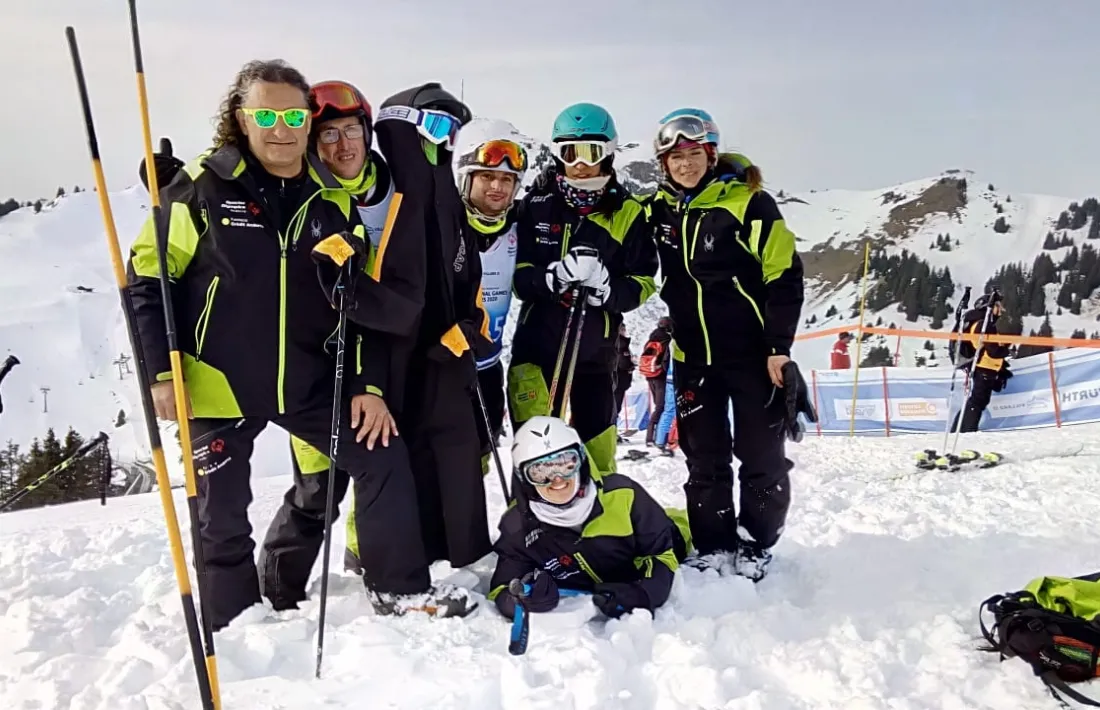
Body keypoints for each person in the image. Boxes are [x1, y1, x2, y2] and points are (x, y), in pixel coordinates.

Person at [126, 60, 473, 628]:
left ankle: (398, 589)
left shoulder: (330, 201)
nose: (280, 127)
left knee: (383, 457)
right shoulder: (201, 187)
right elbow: (148, 279)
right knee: (221, 516)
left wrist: (367, 385)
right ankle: (233, 620)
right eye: (265, 113)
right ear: (241, 119)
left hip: (309, 382)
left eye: (293, 114)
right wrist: (158, 374)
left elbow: (353, 302)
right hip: (218, 383)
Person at [336, 82, 496, 572]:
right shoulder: (386, 193)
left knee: (457, 448)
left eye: (453, 131)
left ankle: (463, 552)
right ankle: (386, 558)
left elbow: (468, 277)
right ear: (404, 127)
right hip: (387, 355)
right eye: (437, 126)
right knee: (389, 457)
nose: (445, 140)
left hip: (446, 353)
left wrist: (466, 332)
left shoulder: (443, 191)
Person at [645, 107, 805, 582]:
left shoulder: (750, 203)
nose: (685, 163)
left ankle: (756, 541)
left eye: (694, 153)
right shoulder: (658, 209)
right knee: (704, 458)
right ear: (664, 163)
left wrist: (778, 347)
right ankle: (714, 544)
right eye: (675, 157)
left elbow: (784, 275)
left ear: (711, 154)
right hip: (692, 357)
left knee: (761, 456)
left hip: (752, 356)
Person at [508, 102, 658, 475]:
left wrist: (608, 291)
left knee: (597, 449)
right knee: (534, 448)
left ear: (608, 153)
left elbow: (643, 281)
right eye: (568, 152)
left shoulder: (628, 213)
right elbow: (517, 275)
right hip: (536, 348)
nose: (579, 163)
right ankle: (530, 523)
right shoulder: (536, 206)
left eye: (591, 152)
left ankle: (599, 523)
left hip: (594, 353)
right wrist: (552, 279)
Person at [487, 416, 691, 621]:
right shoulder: (517, 527)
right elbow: (501, 588)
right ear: (524, 478)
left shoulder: (623, 496)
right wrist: (519, 600)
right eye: (541, 472)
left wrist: (644, 593)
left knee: (681, 532)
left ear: (581, 461)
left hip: (672, 533)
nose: (557, 479)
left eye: (566, 464)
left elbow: (662, 553)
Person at [453, 120, 529, 454]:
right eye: (487, 176)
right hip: (444, 370)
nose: (497, 186)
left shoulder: (517, 227)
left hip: (488, 371)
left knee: (480, 463)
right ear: (466, 178)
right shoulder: (443, 226)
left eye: (507, 179)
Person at [953, 292, 1011, 432]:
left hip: (984, 367)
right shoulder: (984, 325)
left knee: (978, 400)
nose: (1001, 310)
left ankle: (962, 428)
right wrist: (1007, 351)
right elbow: (993, 351)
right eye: (998, 306)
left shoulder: (981, 324)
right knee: (977, 401)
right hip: (984, 367)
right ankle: (966, 429)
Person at [638, 316, 673, 446]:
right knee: (661, 407)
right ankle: (652, 438)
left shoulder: (651, 339)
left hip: (650, 375)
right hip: (661, 377)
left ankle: (653, 436)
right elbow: (665, 360)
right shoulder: (666, 340)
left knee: (658, 406)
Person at [612, 323, 634, 434]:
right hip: (620, 380)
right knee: (616, 407)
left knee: (614, 407)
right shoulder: (622, 343)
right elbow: (622, 362)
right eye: (623, 329)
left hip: (617, 380)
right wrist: (630, 366)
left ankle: (613, 431)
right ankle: (613, 431)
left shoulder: (616, 342)